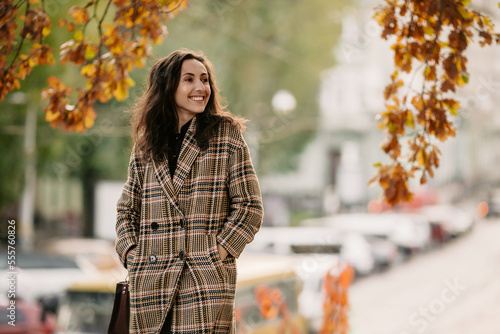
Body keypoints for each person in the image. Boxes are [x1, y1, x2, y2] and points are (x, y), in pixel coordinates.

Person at [115, 49, 264, 333]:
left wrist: (216, 253)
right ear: (168, 87)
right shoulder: (147, 144)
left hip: (202, 283)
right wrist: (132, 254)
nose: (200, 88)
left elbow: (249, 206)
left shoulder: (225, 134)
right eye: (189, 79)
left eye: (205, 79)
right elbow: (126, 209)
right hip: (150, 284)